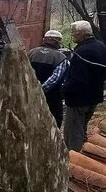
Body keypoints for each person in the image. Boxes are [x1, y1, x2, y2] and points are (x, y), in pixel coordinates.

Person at [62, 20, 106, 151]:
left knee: (73, 133)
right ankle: (85, 151)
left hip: (78, 100)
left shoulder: (81, 52)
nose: (72, 35)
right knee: (82, 128)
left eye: (74, 32)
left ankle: (73, 160)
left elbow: (77, 80)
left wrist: (63, 90)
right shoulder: (101, 46)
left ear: (82, 34)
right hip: (95, 96)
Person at [28, 30, 67, 127]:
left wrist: (33, 89)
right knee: (54, 120)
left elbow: (24, 72)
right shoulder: (60, 57)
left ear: (44, 40)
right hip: (52, 96)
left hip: (30, 93)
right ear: (57, 42)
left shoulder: (31, 52)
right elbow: (55, 78)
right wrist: (41, 89)